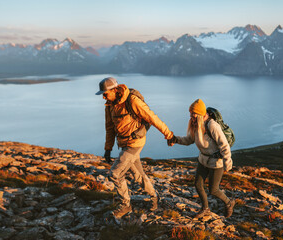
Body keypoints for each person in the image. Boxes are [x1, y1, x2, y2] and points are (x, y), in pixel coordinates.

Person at [96, 77, 175, 218]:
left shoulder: (131, 100)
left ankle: (125, 206)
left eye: (105, 93)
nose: (103, 97)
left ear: (114, 90)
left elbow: (152, 117)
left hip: (134, 143)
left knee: (115, 174)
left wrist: (169, 135)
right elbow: (109, 128)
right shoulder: (110, 105)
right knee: (138, 176)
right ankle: (154, 197)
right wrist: (108, 148)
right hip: (124, 144)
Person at [168, 99, 235, 218]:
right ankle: (205, 209)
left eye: (193, 113)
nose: (191, 116)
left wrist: (227, 163)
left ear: (200, 114)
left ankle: (229, 203)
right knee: (198, 184)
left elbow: (224, 145)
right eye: (190, 113)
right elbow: (189, 140)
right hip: (203, 160)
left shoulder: (212, 125)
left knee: (213, 190)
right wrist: (175, 139)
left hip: (216, 163)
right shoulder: (195, 124)